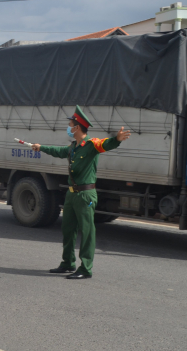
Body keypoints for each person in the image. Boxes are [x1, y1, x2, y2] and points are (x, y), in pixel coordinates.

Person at [31, 105, 131, 280]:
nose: (68, 128)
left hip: (86, 195)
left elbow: (107, 144)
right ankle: (68, 263)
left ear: (77, 127)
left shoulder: (92, 145)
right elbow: (58, 151)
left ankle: (85, 268)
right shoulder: (73, 147)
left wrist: (117, 139)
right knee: (68, 229)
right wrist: (40, 147)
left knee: (87, 231)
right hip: (72, 194)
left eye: (70, 124)